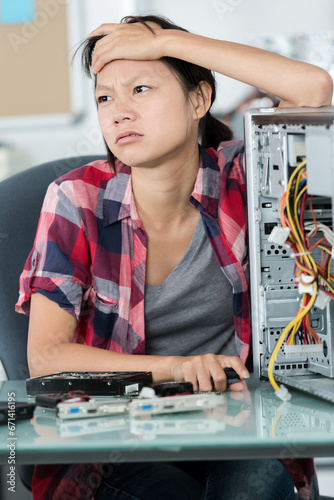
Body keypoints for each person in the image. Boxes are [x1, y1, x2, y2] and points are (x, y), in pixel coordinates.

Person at [16, 14, 332, 500]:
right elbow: (46, 359)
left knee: (256, 482)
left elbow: (312, 90)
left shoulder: (245, 179)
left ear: (199, 99)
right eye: (105, 97)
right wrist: (180, 368)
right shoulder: (75, 198)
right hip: (114, 435)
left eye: (141, 89)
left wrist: (166, 40)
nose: (119, 111)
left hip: (236, 427)